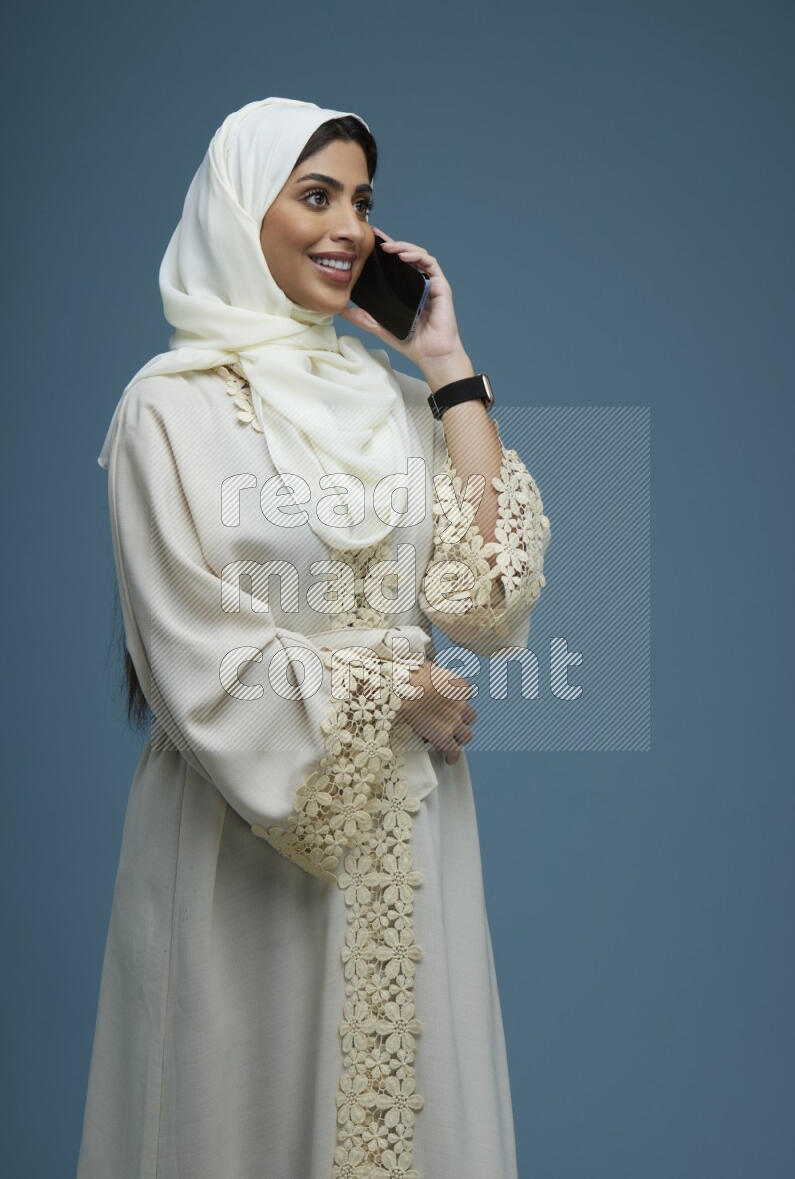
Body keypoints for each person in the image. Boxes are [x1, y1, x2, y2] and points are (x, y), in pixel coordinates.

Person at [77, 96, 551, 1179]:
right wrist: (396, 684)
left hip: (408, 833)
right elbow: (190, 647)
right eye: (315, 194)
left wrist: (447, 366)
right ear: (241, 209)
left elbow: (482, 603)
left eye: (363, 202)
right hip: (238, 828)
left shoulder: (390, 403)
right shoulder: (168, 410)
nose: (349, 227)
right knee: (238, 1114)